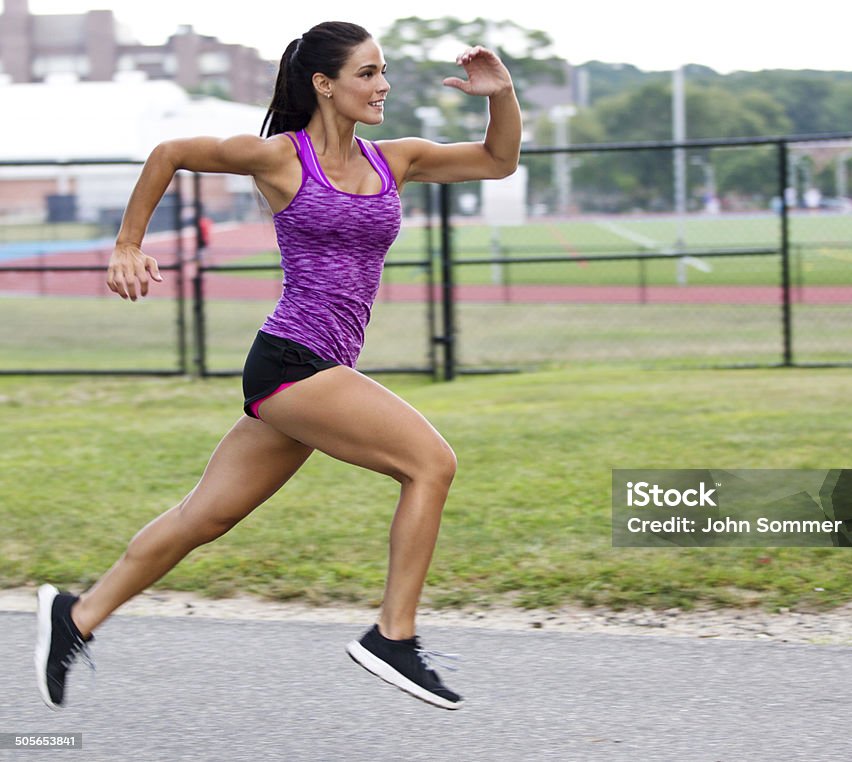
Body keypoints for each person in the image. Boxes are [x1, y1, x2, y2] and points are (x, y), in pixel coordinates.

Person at [35, 20, 521, 712]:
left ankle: (76, 618)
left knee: (203, 518)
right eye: (366, 73)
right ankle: (394, 636)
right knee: (429, 464)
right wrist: (127, 243)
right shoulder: (279, 159)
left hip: (313, 372)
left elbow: (497, 160)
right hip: (294, 362)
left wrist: (500, 94)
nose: (382, 85)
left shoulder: (397, 160)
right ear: (324, 85)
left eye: (383, 72)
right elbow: (170, 151)